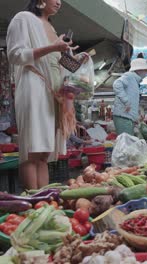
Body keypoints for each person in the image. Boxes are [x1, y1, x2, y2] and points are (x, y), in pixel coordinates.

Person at [7, 0, 77, 189]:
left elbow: (55, 63)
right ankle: (31, 202)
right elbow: (15, 54)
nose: (58, 2)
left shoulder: (53, 29)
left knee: (45, 152)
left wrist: (74, 60)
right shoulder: (23, 19)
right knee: (32, 150)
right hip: (34, 86)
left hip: (54, 93)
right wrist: (53, 48)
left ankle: (43, 202)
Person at [113, 58, 147, 136]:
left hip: (127, 117)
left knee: (128, 143)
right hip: (123, 117)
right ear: (139, 70)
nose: (146, 73)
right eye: (146, 70)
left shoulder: (134, 81)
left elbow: (132, 101)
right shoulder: (129, 76)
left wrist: (135, 117)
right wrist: (126, 101)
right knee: (125, 143)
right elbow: (117, 84)